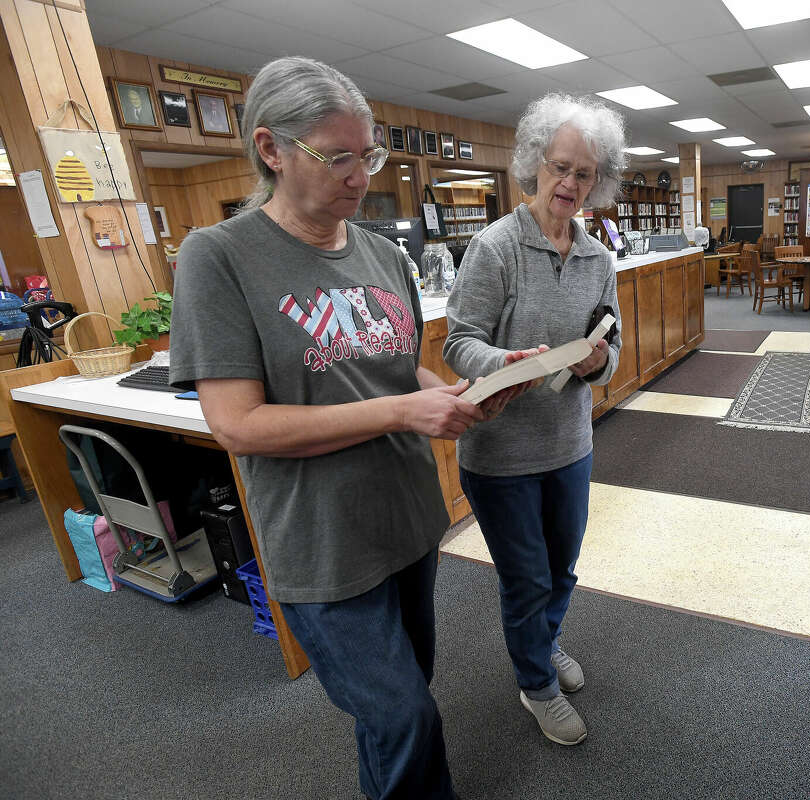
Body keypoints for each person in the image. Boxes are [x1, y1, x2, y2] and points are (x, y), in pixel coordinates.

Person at [169, 56, 526, 799]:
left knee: (405, 700)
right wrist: (404, 411)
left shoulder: (384, 252)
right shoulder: (221, 257)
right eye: (338, 157)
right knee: (402, 717)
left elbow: (401, 374)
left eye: (369, 154)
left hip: (405, 517)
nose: (361, 175)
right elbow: (237, 425)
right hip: (322, 539)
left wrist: (457, 397)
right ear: (271, 149)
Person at [443, 92, 628, 746]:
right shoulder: (494, 248)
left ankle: (542, 646)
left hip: (570, 444)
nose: (571, 184)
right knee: (526, 578)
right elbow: (457, 340)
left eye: (584, 174)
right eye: (561, 167)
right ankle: (535, 682)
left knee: (563, 569)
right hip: (501, 455)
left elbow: (614, 341)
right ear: (535, 164)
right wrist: (509, 359)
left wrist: (596, 364)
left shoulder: (597, 257)